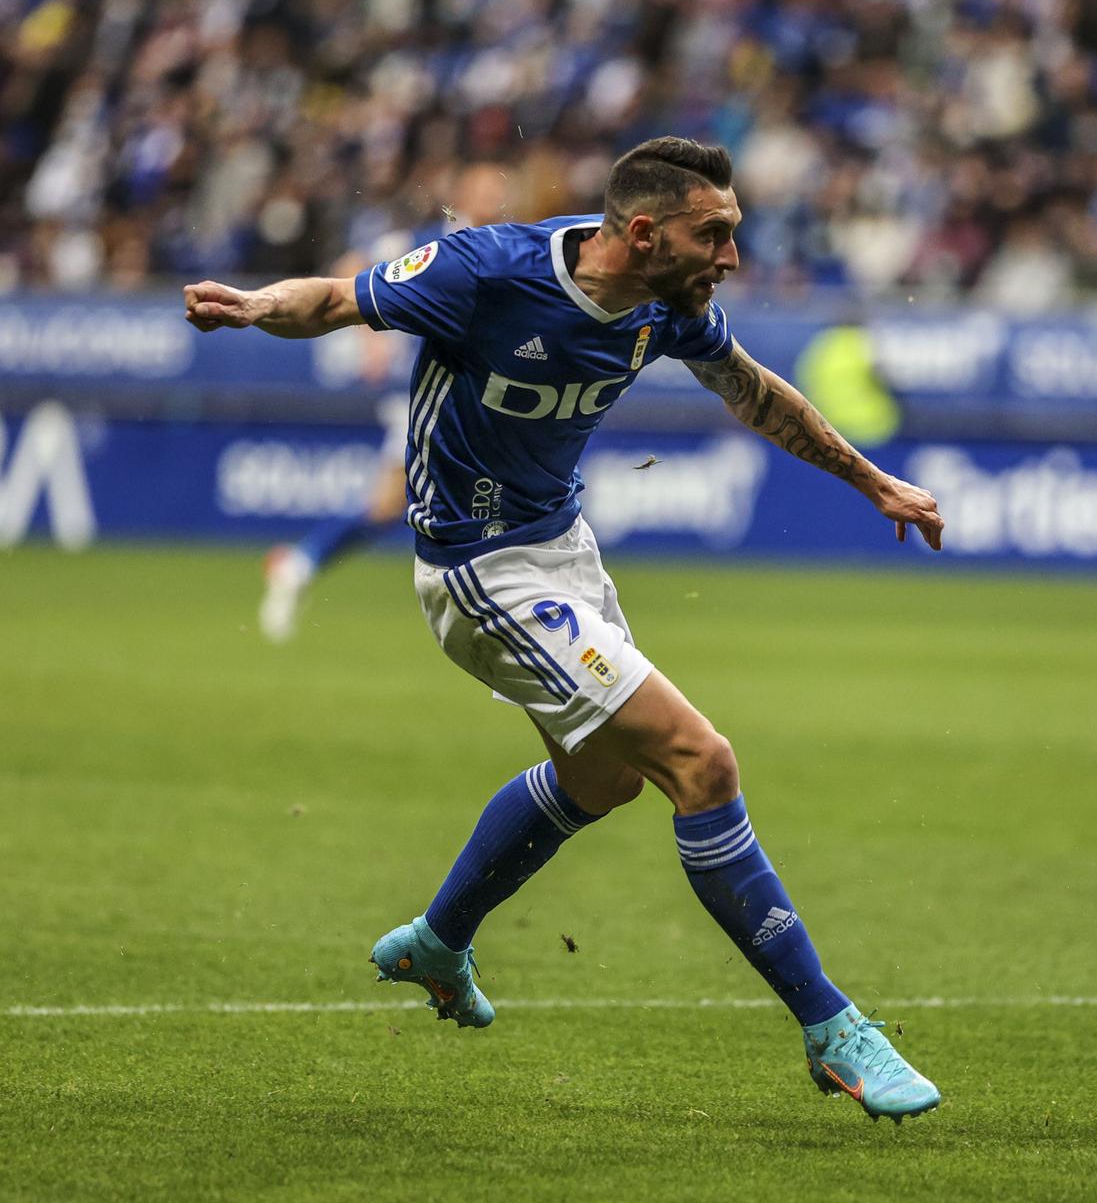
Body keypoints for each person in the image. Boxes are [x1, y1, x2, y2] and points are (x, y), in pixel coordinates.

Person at [186, 137, 948, 1122]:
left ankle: (439, 940)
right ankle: (833, 1029)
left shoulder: (670, 310)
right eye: (712, 234)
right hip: (476, 567)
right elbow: (334, 302)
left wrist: (871, 480)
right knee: (699, 760)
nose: (728, 256)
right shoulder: (487, 271)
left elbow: (754, 391)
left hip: (560, 549)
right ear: (643, 231)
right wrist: (252, 307)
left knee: (604, 779)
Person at [260, 164, 514, 641]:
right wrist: (367, 338)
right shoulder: (432, 241)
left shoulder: (506, 245)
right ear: (461, 193)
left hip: (471, 396)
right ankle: (299, 564)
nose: (493, 197)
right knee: (406, 501)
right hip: (425, 396)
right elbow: (346, 268)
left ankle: (299, 564)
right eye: (484, 188)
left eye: (498, 190)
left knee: (392, 505)